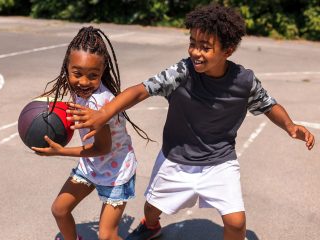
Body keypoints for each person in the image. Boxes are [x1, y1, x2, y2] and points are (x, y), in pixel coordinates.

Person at [64, 5, 316, 240]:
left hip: (220, 161)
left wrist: (290, 126)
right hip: (176, 158)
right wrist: (105, 113)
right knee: (152, 208)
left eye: (205, 47)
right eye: (192, 43)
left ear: (227, 51)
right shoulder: (182, 72)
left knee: (237, 222)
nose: (195, 51)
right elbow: (141, 90)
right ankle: (151, 226)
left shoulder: (244, 81)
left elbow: (269, 105)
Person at [31, 26, 151, 240]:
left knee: (107, 236)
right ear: (66, 69)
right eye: (77, 73)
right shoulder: (78, 90)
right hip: (92, 166)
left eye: (93, 76)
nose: (84, 82)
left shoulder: (100, 104)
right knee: (60, 209)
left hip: (116, 172)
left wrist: (60, 151)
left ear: (102, 73)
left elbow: (101, 148)